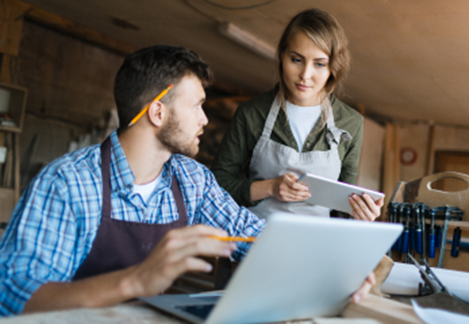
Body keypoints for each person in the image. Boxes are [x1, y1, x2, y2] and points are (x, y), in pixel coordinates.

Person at [0, 45, 373, 316]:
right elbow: (15, 295)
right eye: (196, 105)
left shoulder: (190, 179)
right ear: (158, 111)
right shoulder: (68, 183)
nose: (204, 120)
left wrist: (338, 273)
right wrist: (134, 281)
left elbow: (254, 238)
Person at [211, 8, 384, 221]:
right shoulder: (252, 113)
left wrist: (360, 212)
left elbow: (342, 204)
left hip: (317, 244)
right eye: (296, 59)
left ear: (333, 67)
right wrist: (270, 188)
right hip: (255, 238)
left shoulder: (351, 122)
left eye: (319, 64)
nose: (305, 75)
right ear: (282, 55)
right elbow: (218, 184)